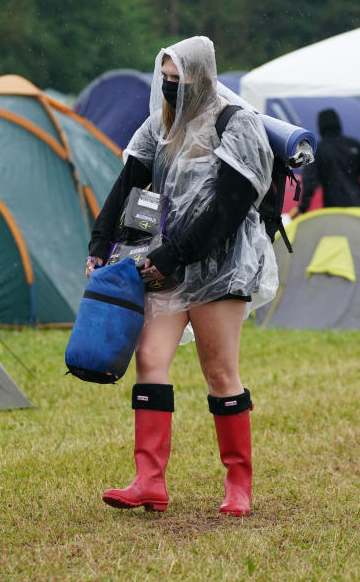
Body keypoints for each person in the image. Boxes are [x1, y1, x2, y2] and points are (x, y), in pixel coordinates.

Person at [85, 36, 276, 517]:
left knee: (219, 373)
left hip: (220, 269)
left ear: (203, 78)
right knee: (150, 359)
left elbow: (227, 209)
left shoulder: (238, 125)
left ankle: (239, 485)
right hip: (165, 266)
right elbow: (127, 184)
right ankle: (149, 480)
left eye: (180, 82)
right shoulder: (161, 126)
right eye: (165, 80)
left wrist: (174, 255)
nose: (170, 89)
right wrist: (99, 245)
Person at [296, 108, 360, 212]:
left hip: (333, 208)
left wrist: (304, 205)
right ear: (338, 123)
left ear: (320, 126)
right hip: (357, 205)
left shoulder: (318, 150)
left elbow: (309, 180)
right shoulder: (354, 145)